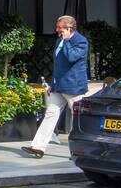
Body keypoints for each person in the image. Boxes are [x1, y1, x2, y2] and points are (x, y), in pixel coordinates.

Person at [23, 15, 89, 159]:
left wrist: (66, 41)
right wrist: (52, 84)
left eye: (60, 27)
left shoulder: (81, 41)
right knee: (50, 114)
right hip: (59, 86)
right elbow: (58, 66)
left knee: (77, 119)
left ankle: (76, 150)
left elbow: (71, 57)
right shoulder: (59, 40)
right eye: (57, 26)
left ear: (69, 28)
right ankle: (38, 147)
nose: (57, 29)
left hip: (73, 87)